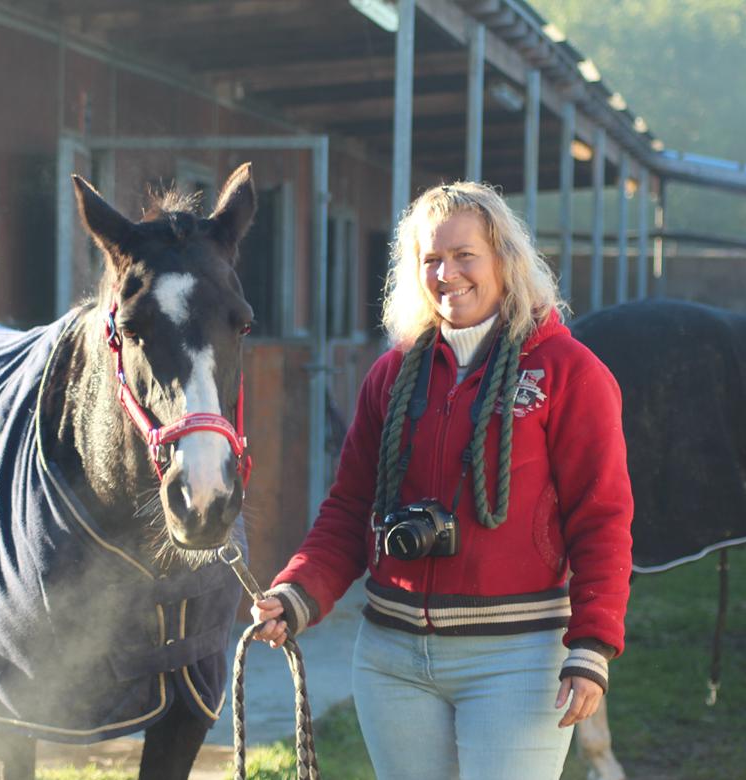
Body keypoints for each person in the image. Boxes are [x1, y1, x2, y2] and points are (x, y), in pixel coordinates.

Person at [251, 181, 634, 780]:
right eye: (430, 259)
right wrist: (299, 591)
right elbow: (351, 506)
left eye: (463, 255)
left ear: (504, 259)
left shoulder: (569, 372)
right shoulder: (393, 374)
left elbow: (601, 517)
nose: (446, 273)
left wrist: (592, 644)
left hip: (516, 658)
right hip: (392, 658)